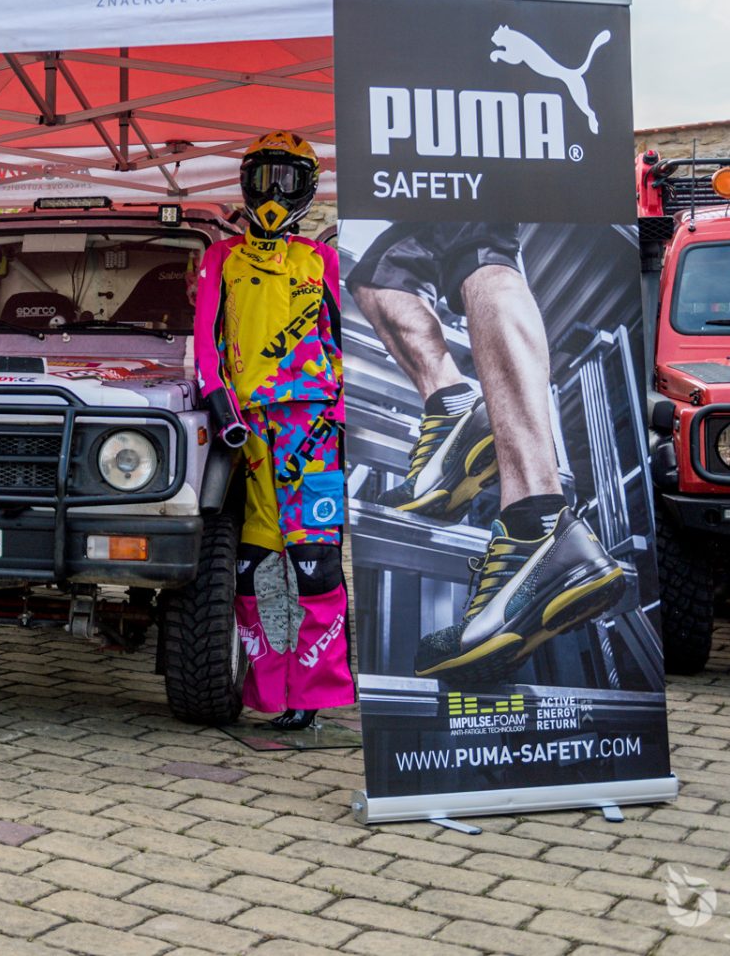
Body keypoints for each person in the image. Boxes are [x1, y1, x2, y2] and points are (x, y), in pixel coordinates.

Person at [347, 223, 627, 684]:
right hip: (436, 183)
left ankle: (536, 523)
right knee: (377, 275)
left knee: (480, 249)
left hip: (479, 174)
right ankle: (452, 408)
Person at [193, 132, 353, 728]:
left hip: (314, 424)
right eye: (263, 179)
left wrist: (344, 414)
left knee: (316, 560)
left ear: (307, 188)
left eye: (286, 181)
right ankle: (266, 688)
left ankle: (314, 693)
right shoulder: (222, 258)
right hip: (249, 429)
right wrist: (222, 407)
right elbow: (206, 341)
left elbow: (347, 340)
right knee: (247, 564)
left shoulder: (321, 259)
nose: (273, 194)